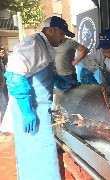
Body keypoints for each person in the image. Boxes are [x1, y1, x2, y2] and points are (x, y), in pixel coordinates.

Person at [4, 16, 72, 179]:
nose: (63, 39)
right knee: (34, 156)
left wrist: (60, 81)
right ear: (50, 30)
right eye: (61, 34)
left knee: (44, 156)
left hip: (41, 111)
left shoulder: (46, 45)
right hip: (30, 112)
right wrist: (27, 111)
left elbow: (41, 70)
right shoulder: (33, 44)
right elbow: (14, 76)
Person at [0, 46, 8, 124]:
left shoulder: (2, 60)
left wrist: (3, 56)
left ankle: (4, 124)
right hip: (1, 85)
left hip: (3, 84)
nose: (1, 52)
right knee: (3, 104)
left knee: (5, 103)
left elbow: (6, 61)